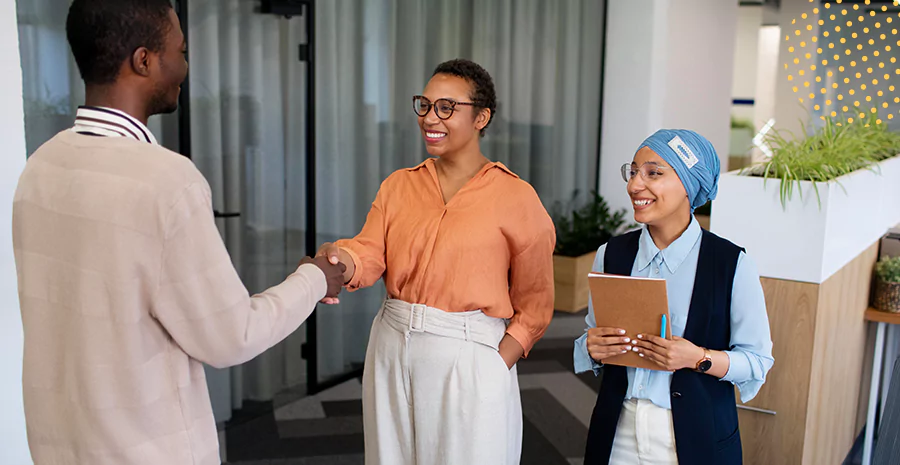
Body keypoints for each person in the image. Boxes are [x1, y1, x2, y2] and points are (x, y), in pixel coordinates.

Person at [12, 1, 345, 464]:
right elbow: (232, 335)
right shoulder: (165, 181)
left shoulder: (38, 169)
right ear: (144, 60)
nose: (185, 68)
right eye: (180, 51)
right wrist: (313, 279)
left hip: (57, 448)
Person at [316, 58, 556, 465]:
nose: (431, 117)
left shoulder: (516, 198)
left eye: (447, 107)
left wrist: (498, 366)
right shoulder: (399, 185)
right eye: (424, 105)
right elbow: (370, 251)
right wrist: (340, 262)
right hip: (391, 344)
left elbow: (535, 301)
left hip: (470, 355)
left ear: (482, 117)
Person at [574, 129, 774, 465]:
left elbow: (757, 362)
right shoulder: (611, 255)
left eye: (653, 173)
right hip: (618, 431)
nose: (635, 185)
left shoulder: (731, 264)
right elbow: (591, 335)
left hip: (693, 438)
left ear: (689, 184)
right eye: (633, 171)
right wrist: (592, 348)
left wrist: (697, 357)